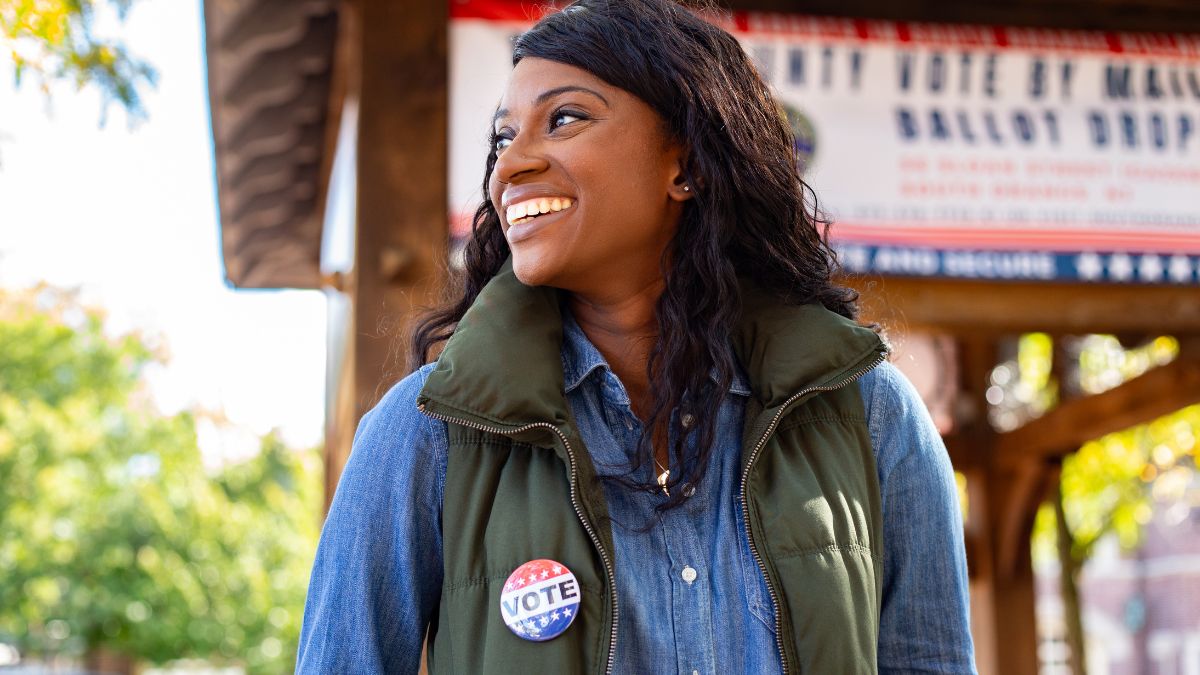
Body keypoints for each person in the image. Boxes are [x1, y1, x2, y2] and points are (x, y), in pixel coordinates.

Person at [296, 0, 976, 672]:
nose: (510, 166)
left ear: (687, 164)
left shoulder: (871, 415)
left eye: (563, 118)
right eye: (504, 138)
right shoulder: (427, 434)